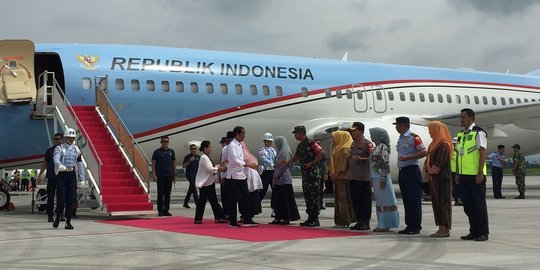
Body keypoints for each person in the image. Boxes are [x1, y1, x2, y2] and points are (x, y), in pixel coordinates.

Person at [455, 108, 489, 241]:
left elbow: (482, 153)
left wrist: (480, 172)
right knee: (468, 205)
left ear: (471, 118)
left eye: (463, 117)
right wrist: (457, 173)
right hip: (463, 175)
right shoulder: (460, 134)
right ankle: (473, 231)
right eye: (461, 117)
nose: (461, 119)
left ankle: (483, 232)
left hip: (475, 175)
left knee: (479, 204)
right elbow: (459, 154)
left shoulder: (479, 133)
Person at [283, 125, 324, 227]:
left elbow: (321, 153)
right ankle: (310, 218)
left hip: (313, 174)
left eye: (296, 133)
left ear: (301, 133)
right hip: (305, 176)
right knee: (308, 196)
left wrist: (312, 163)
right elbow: (296, 156)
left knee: (314, 196)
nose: (295, 136)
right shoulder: (300, 145)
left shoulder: (312, 143)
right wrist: (287, 162)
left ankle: (315, 219)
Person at [394, 116, 426, 235]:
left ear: (404, 125)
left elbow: (423, 152)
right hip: (403, 171)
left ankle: (416, 226)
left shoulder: (414, 137)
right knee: (407, 200)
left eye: (397, 125)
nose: (396, 127)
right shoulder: (401, 138)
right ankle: (409, 225)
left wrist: (408, 158)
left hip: (412, 170)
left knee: (414, 200)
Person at [52, 127, 86, 229]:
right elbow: (55, 158)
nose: (71, 139)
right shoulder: (60, 148)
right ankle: (58, 216)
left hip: (71, 175)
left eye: (73, 137)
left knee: (71, 199)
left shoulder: (77, 149)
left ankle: (68, 221)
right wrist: (59, 165)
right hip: (62, 175)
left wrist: (82, 178)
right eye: (69, 137)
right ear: (65, 137)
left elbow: (79, 163)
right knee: (61, 199)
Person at [225, 126, 258, 227]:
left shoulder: (240, 145)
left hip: (241, 175)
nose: (244, 135)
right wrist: (248, 165)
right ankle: (233, 221)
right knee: (234, 199)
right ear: (237, 134)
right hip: (233, 176)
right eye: (242, 133)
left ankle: (247, 219)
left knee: (246, 196)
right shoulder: (232, 146)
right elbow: (235, 161)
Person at [424, 121, 453, 238]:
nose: (430, 132)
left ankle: (445, 228)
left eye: (431, 130)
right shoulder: (433, 144)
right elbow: (428, 159)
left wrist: (431, 171)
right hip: (433, 178)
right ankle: (440, 227)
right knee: (436, 203)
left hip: (442, 179)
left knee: (443, 203)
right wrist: (426, 170)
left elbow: (440, 162)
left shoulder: (444, 144)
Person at [368, 127, 400, 232]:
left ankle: (384, 224)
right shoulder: (377, 147)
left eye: (372, 134)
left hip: (382, 178)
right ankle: (383, 223)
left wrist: (382, 179)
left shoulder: (382, 147)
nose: (371, 136)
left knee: (385, 202)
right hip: (376, 177)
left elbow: (385, 164)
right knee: (380, 202)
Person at [194, 140, 228, 224]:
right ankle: (198, 219)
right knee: (203, 202)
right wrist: (220, 168)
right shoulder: (204, 158)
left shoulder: (207, 157)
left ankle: (218, 217)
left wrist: (219, 165)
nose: (211, 149)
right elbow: (209, 169)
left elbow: (212, 167)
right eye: (209, 147)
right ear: (205, 148)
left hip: (210, 182)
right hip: (205, 184)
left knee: (213, 201)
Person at [269, 136, 300, 225]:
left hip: (283, 179)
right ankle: (279, 217)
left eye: (276, 142)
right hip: (280, 180)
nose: (275, 144)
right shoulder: (281, 152)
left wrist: (275, 177)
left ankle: (285, 217)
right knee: (279, 200)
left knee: (285, 199)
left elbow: (282, 166)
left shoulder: (283, 153)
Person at [348, 122, 373, 231]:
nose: (353, 133)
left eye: (355, 130)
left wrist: (362, 160)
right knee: (356, 201)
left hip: (363, 177)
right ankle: (359, 221)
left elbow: (373, 158)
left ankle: (365, 222)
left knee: (365, 201)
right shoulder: (353, 144)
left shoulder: (367, 144)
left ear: (361, 131)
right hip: (353, 176)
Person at [330, 130, 356, 228]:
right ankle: (341, 220)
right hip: (338, 177)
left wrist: (336, 173)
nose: (333, 140)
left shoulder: (345, 149)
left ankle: (344, 220)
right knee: (339, 200)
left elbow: (343, 164)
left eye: (334, 137)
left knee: (343, 200)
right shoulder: (338, 148)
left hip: (343, 177)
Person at [37, 132, 64, 222]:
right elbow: (45, 163)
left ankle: (60, 215)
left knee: (61, 197)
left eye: (57, 139)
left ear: (62, 139)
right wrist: (40, 175)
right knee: (50, 197)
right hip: (51, 177)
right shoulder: (49, 150)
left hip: (62, 177)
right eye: (54, 139)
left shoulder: (65, 150)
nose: (55, 140)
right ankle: (50, 215)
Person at [152, 136, 176, 217]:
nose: (165, 143)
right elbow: (153, 163)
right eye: (164, 141)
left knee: (168, 194)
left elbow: (173, 163)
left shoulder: (171, 151)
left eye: (167, 141)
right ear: (161, 142)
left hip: (169, 175)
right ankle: (160, 210)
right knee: (160, 193)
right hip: (160, 176)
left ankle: (166, 210)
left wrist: (174, 174)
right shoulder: (157, 152)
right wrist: (154, 174)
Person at [256, 132, 276, 203]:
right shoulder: (261, 150)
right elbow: (263, 158)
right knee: (263, 191)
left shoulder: (273, 150)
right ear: (264, 141)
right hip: (265, 173)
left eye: (271, 141)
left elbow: (275, 158)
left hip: (273, 172)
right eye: (268, 141)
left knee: (275, 190)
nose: (270, 142)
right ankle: (255, 206)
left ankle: (274, 207)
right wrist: (271, 163)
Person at [219, 131, 235, 218]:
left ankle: (228, 213)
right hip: (230, 175)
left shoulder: (226, 149)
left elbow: (223, 163)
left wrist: (222, 176)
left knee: (228, 197)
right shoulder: (226, 149)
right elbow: (223, 164)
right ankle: (229, 213)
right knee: (228, 197)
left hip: (230, 175)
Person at [182, 144, 200, 208]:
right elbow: (184, 166)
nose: (193, 150)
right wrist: (189, 161)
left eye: (194, 149)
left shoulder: (198, 157)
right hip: (189, 175)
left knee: (191, 189)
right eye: (192, 149)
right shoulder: (187, 157)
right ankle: (197, 203)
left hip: (196, 175)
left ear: (196, 149)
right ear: (190, 150)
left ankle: (185, 202)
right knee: (194, 189)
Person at [451, 137, 462, 206]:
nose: (455, 145)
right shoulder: (451, 151)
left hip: (457, 172)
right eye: (454, 144)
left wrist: (458, 172)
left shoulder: (459, 152)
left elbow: (458, 163)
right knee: (454, 187)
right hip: (451, 172)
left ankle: (459, 200)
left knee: (458, 187)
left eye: (456, 144)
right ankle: (456, 200)